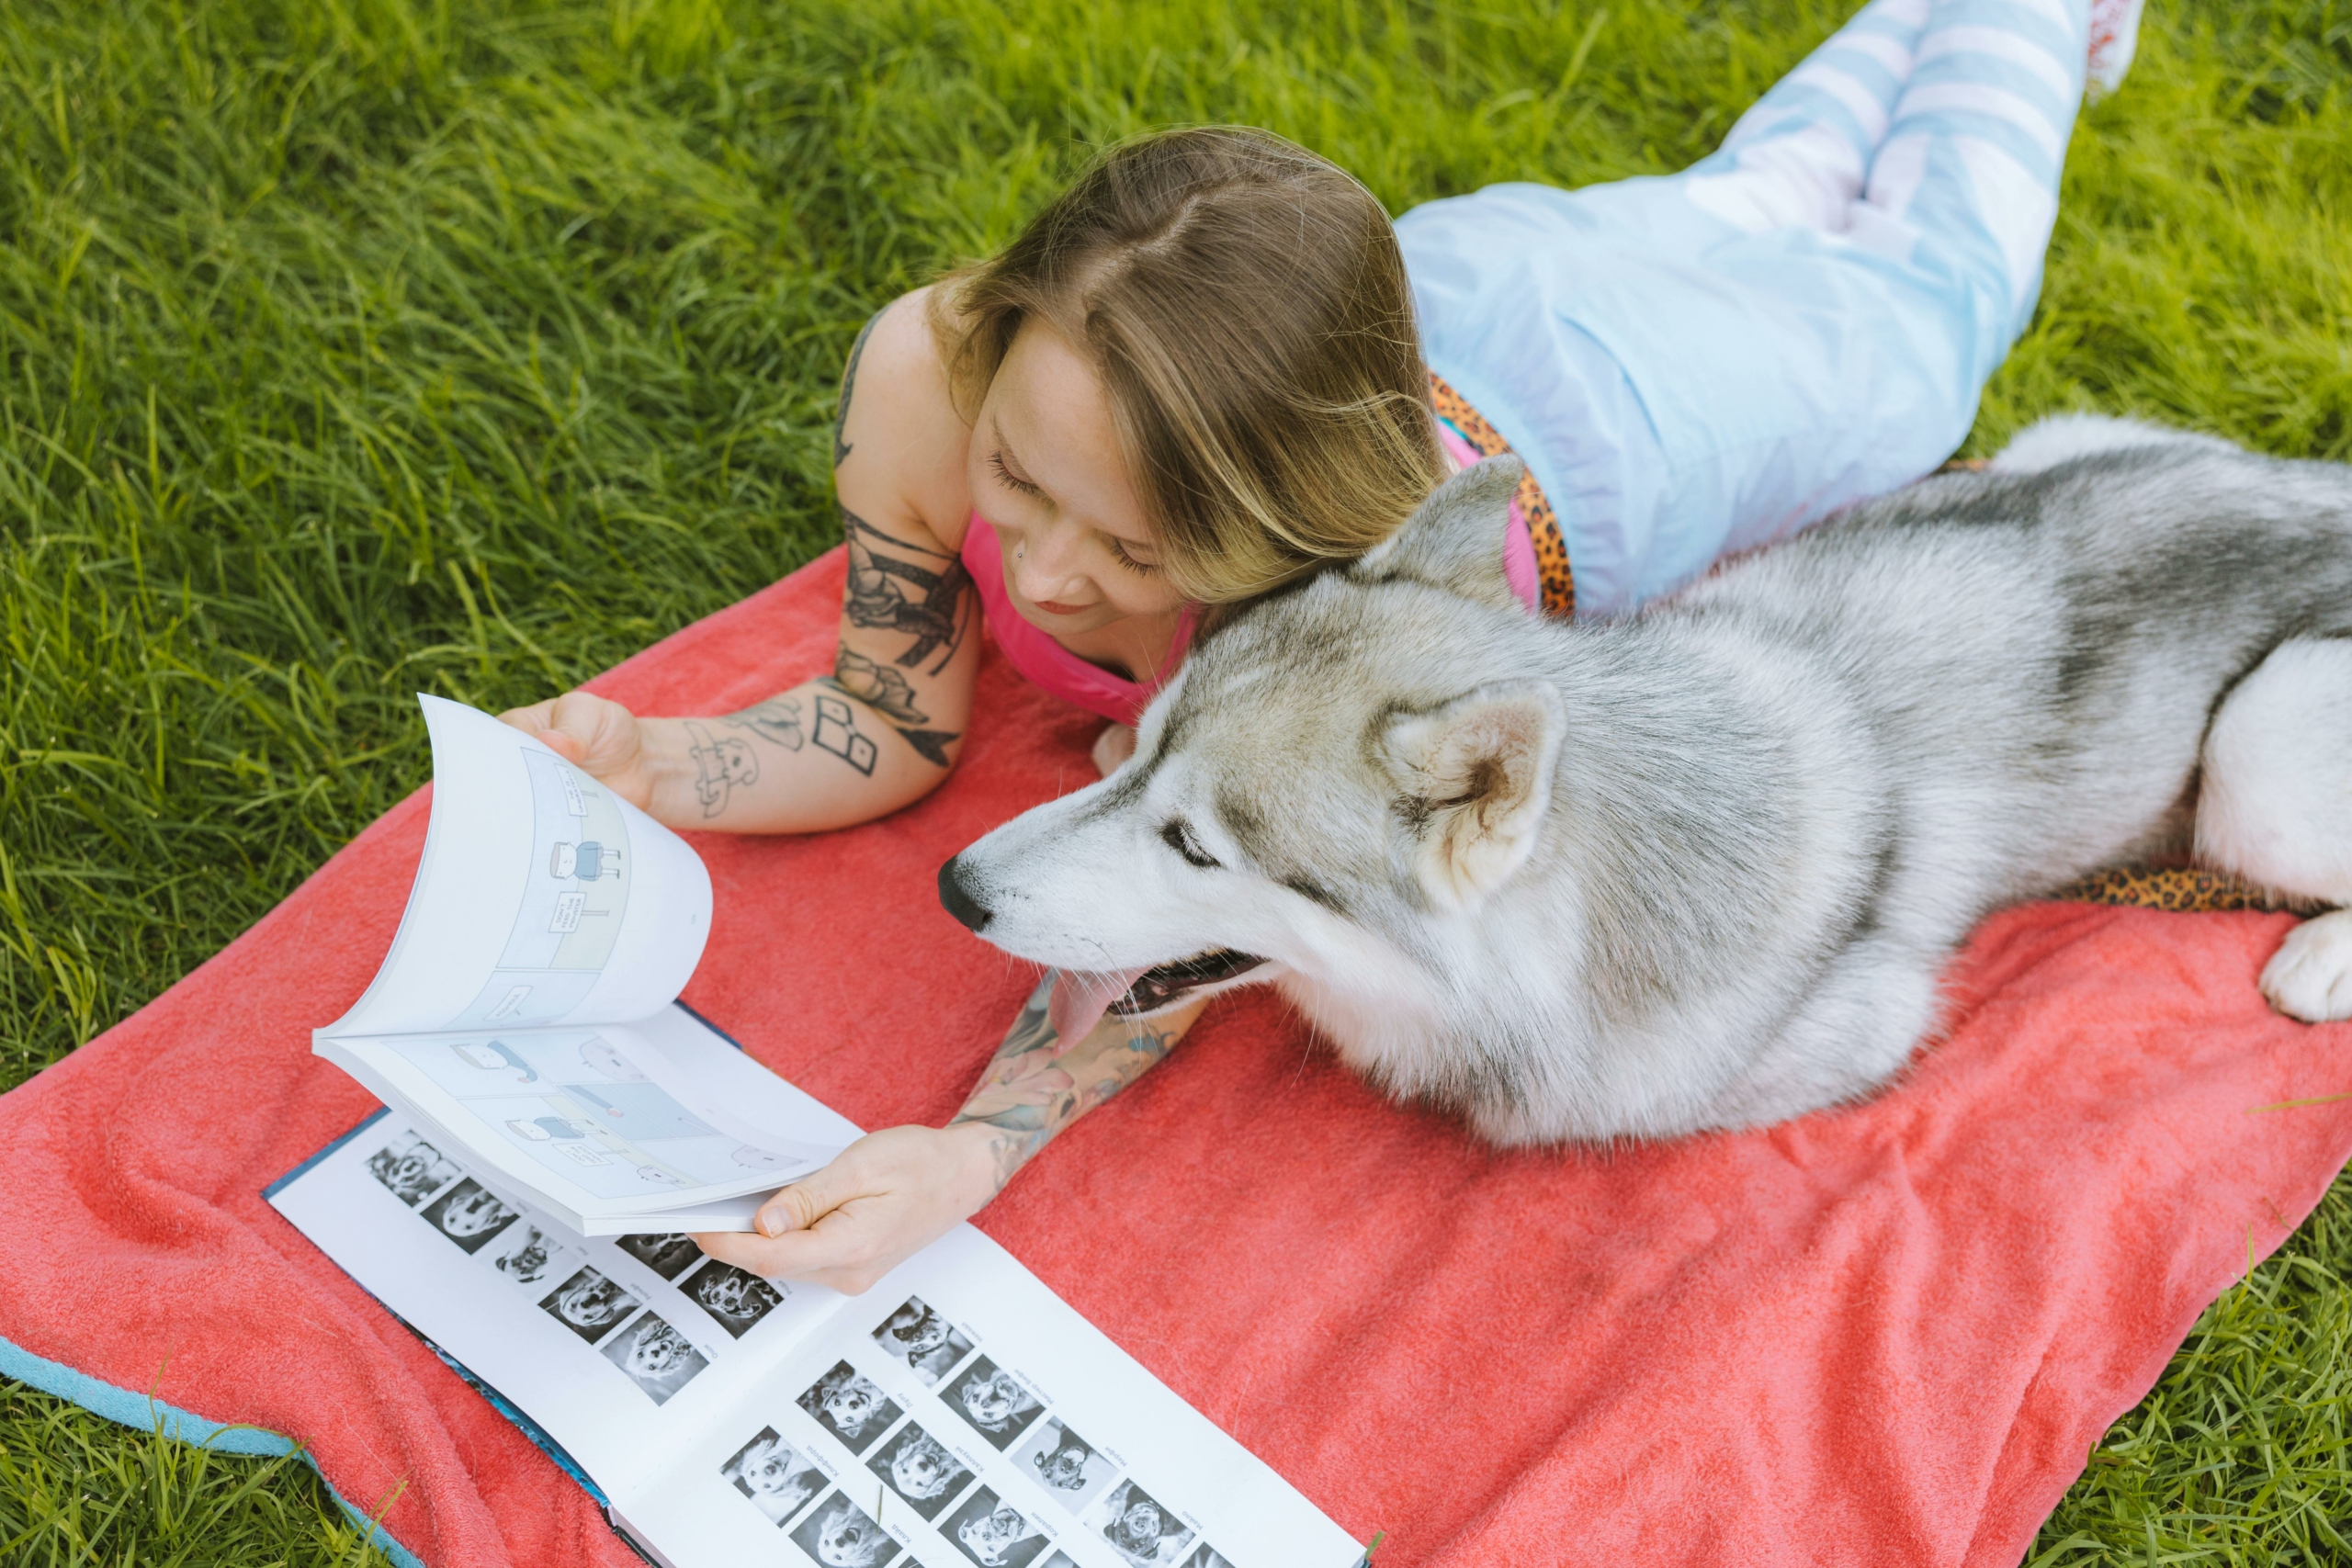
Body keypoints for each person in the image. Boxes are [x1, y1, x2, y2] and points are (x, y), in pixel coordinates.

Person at [502, 0, 2140, 1291]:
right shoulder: (923, 378)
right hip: (1479, 286)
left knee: (1926, 291)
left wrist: (971, 1149)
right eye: (1017, 475)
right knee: (1753, 193)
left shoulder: (1320, 620)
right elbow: (886, 719)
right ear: (991, 337)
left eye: (1141, 547)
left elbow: (1195, 914)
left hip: (1661, 417)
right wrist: (662, 764)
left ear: (1280, 529)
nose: (1055, 579)